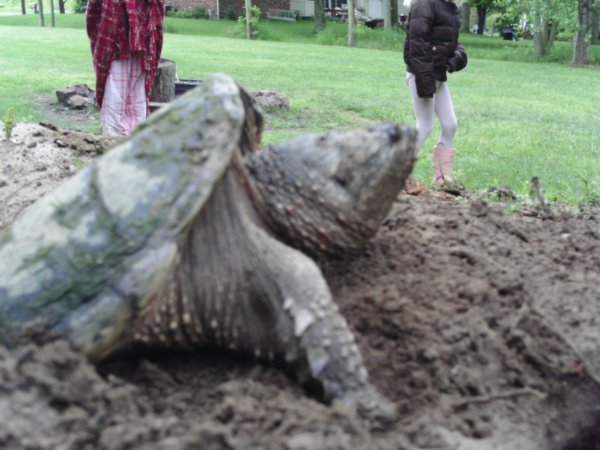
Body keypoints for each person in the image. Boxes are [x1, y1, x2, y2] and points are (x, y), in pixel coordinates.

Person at [403, 0, 467, 185]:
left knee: (450, 124)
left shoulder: (450, 7)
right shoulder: (424, 4)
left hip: (437, 75)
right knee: (425, 125)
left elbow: (452, 42)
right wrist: (424, 78)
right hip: (421, 74)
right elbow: (416, 45)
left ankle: (442, 178)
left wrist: (457, 58)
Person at [86, 0, 165, 136]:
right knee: (115, 94)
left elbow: (157, 11)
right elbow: (96, 13)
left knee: (137, 97)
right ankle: (112, 140)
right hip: (115, 47)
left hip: (143, 45)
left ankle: (134, 140)